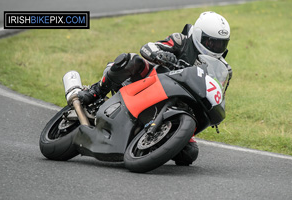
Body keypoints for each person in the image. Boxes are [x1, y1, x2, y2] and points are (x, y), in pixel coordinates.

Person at [78, 11, 233, 166]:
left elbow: (219, 93)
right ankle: (96, 91)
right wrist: (161, 55)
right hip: (152, 82)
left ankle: (148, 143)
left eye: (221, 43)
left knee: (189, 153)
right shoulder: (181, 41)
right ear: (198, 35)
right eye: (211, 42)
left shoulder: (222, 68)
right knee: (133, 61)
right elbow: (148, 47)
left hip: (182, 103)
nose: (216, 47)